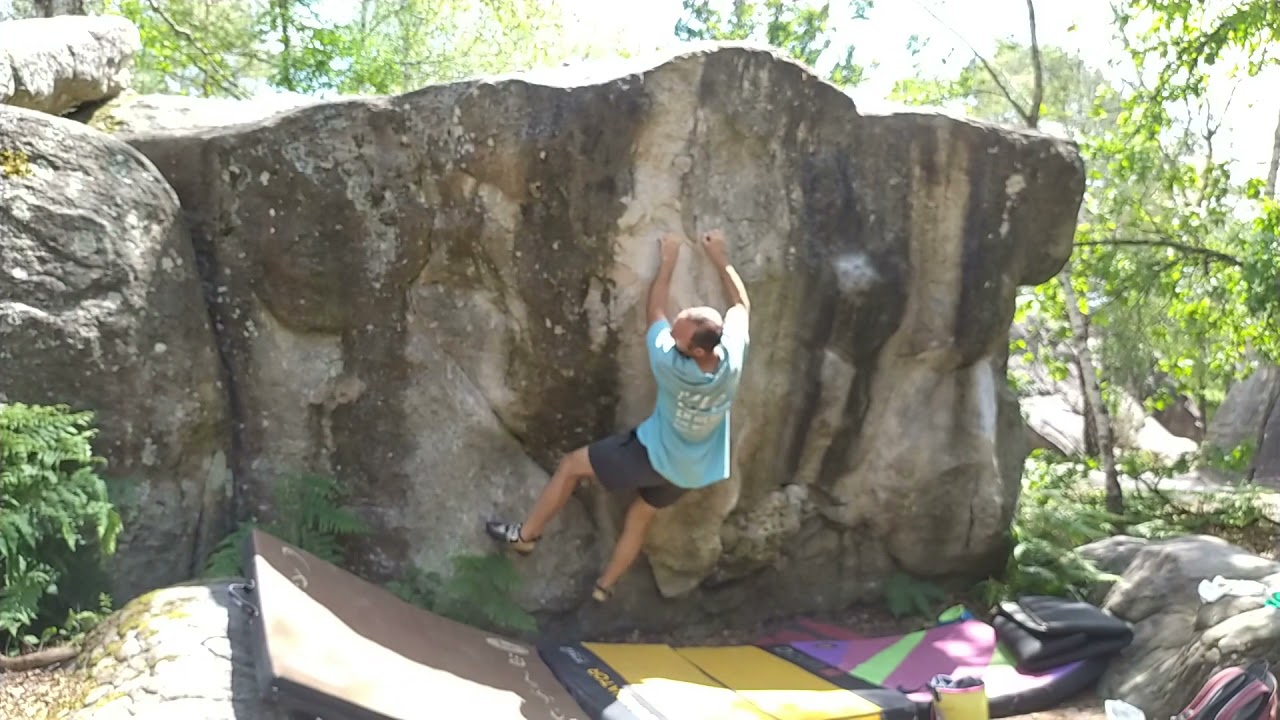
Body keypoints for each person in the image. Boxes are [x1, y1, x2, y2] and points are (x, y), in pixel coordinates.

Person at [484, 228, 751, 602]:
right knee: (641, 515)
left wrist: (669, 260)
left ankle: (525, 536)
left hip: (652, 455)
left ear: (695, 350)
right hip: (692, 470)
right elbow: (740, 305)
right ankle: (604, 587)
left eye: (679, 337)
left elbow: (654, 310)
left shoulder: (670, 364)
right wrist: (719, 256)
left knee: (571, 466)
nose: (671, 336)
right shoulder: (733, 357)